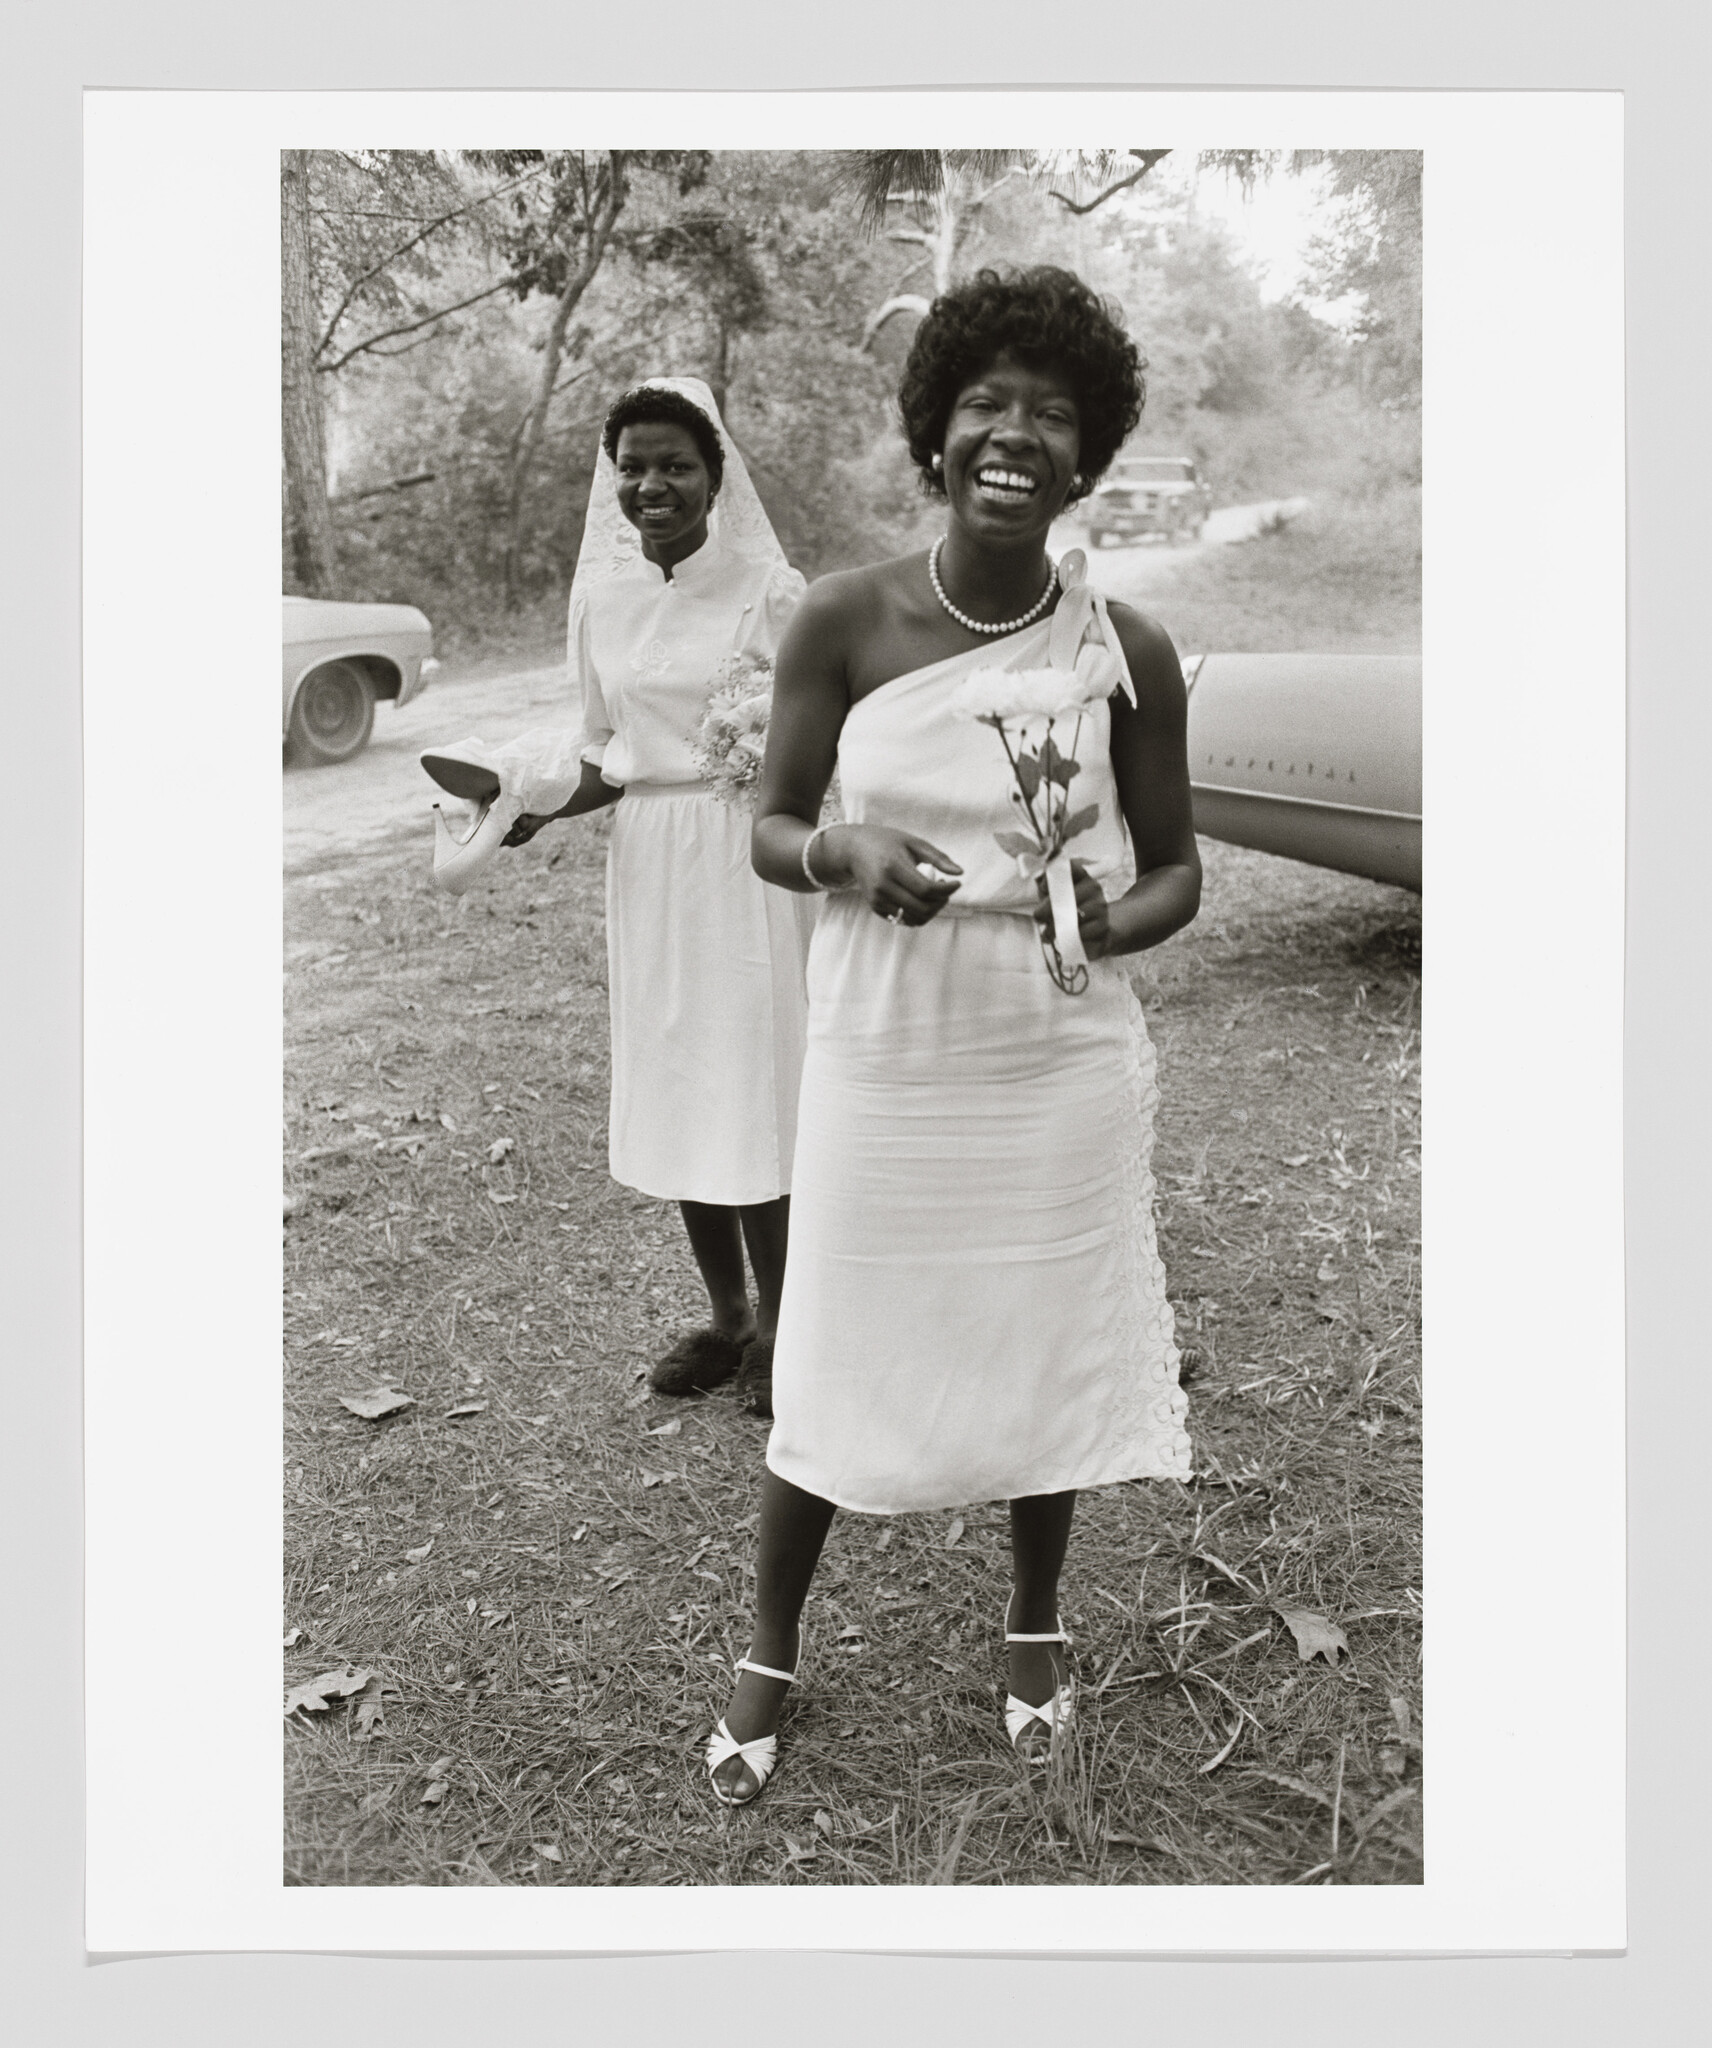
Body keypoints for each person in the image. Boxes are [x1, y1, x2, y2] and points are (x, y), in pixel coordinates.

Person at [704, 269, 1200, 1806]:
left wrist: (1111, 920)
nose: (1015, 434)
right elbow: (773, 828)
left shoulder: (1131, 648)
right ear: (936, 431)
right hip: (886, 1044)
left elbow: (1181, 867)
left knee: (1038, 1333)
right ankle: (772, 1650)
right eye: (984, 402)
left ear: (1088, 452)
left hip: (1049, 1050)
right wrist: (841, 853)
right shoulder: (843, 619)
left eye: (1052, 414)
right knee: (836, 1335)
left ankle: (1036, 1631)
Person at [497, 378, 814, 1417]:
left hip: (744, 854)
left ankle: (784, 1321)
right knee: (682, 1078)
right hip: (651, 862)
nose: (650, 483)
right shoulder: (601, 597)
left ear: (715, 475)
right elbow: (603, 751)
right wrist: (539, 804)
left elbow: (816, 741)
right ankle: (724, 1316)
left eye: (674, 463)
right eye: (631, 464)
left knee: (753, 1084)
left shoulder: (770, 591)